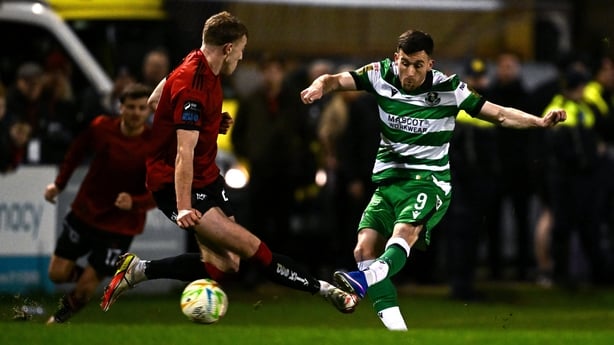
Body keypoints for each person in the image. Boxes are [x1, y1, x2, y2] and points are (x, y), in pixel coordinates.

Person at [300, 29, 566, 330]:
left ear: (430, 64)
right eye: (404, 63)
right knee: (363, 249)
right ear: (395, 59)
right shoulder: (379, 74)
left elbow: (501, 115)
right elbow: (334, 80)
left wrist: (539, 121)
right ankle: (398, 332)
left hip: (428, 182)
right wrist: (318, 86)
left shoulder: (449, 88)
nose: (409, 72)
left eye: (418, 65)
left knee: (404, 234)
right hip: (389, 182)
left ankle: (362, 280)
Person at [100, 11, 358, 315]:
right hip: (175, 183)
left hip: (207, 178)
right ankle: (328, 292)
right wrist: (184, 206)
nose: (241, 57)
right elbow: (184, 153)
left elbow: (157, 100)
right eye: (242, 49)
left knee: (225, 264)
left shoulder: (198, 65)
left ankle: (138, 271)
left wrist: (208, 122)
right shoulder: (192, 84)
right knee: (252, 248)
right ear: (228, 48)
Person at [44, 83, 155, 324]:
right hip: (86, 212)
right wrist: (58, 185)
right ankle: (94, 278)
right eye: (131, 107)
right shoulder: (101, 128)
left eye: (142, 108)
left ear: (148, 111)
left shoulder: (155, 144)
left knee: (85, 289)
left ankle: (56, 322)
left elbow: (162, 191)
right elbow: (75, 153)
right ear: (121, 107)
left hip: (121, 226)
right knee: (57, 274)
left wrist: (135, 202)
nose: (137, 112)